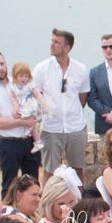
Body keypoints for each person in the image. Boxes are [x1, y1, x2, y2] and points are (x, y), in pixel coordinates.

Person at [0, 49, 41, 193]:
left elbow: (34, 99)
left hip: (29, 140)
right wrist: (22, 123)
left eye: (2, 63)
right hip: (9, 142)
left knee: (33, 183)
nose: (0, 68)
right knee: (10, 185)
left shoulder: (19, 82)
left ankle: (33, 214)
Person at [33, 29, 91, 178]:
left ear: (67, 47)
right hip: (51, 127)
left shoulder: (80, 69)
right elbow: (35, 95)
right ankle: (47, 201)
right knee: (49, 170)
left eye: (56, 42)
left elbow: (82, 98)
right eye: (52, 40)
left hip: (76, 127)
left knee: (77, 170)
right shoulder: (42, 69)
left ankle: (77, 200)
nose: (52, 44)